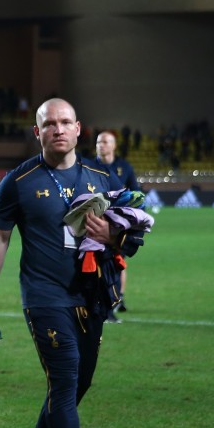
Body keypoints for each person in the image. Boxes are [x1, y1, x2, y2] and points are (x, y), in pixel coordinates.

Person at [0, 98, 123, 428]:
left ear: (78, 128)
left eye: (65, 122)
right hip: (43, 296)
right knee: (64, 378)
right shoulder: (18, 181)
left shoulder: (101, 176)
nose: (58, 129)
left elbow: (123, 233)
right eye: (48, 124)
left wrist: (113, 236)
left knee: (79, 383)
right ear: (36, 132)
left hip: (90, 295)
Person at [95, 130, 142, 317]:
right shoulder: (89, 166)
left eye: (105, 142)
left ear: (114, 145)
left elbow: (135, 194)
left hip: (119, 225)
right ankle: (107, 302)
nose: (101, 145)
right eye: (98, 142)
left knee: (118, 262)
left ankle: (117, 298)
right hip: (97, 223)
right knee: (101, 264)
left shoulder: (125, 167)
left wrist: (135, 221)